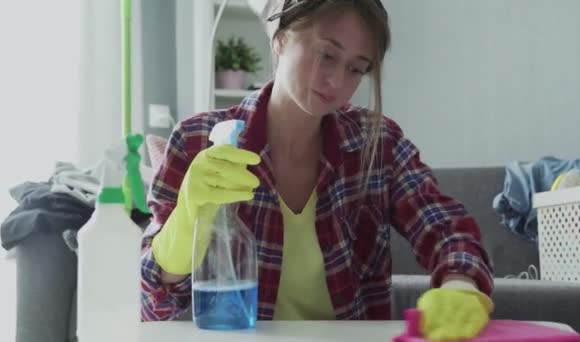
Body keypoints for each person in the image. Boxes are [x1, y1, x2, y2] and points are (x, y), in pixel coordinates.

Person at [141, 0, 494, 340]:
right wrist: (185, 223)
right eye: (327, 55)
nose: (337, 81)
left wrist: (460, 285)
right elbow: (152, 307)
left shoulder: (378, 144)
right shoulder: (197, 140)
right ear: (280, 39)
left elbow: (447, 227)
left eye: (356, 68)